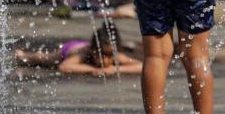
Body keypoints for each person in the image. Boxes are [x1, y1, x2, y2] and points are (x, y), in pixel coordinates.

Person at [14, 24, 144, 76]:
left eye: (109, 56)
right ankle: (24, 55)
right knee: (43, 59)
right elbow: (64, 67)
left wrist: (115, 69)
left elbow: (142, 66)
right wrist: (93, 69)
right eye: (101, 55)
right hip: (68, 49)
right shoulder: (84, 53)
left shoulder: (114, 55)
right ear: (93, 50)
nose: (105, 60)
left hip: (85, 45)